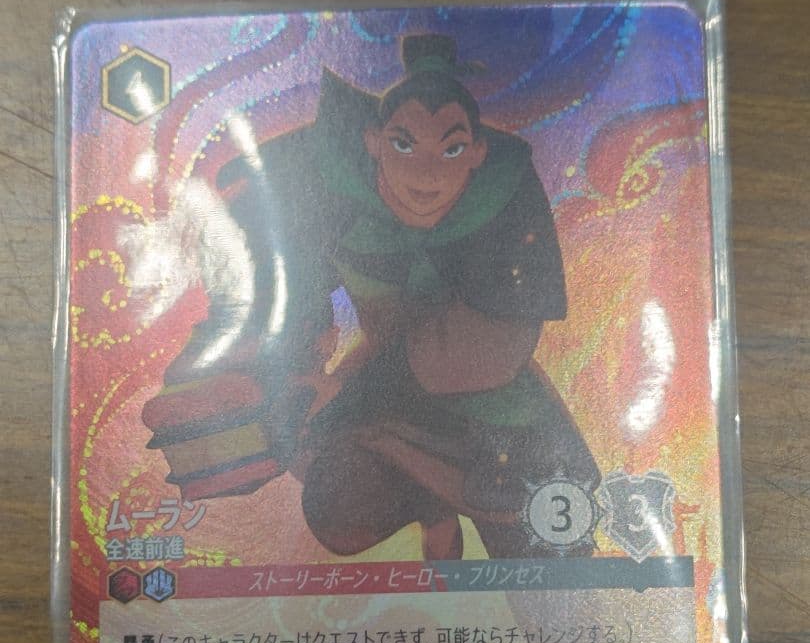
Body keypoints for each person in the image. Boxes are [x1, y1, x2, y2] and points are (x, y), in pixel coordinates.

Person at [143, 33, 600, 560]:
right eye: (404, 145)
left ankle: (465, 512)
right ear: (374, 141)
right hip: (381, 401)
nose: (425, 175)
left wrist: (344, 397)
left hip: (495, 412)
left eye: (451, 149)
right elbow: (278, 298)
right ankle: (430, 506)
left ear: (476, 154)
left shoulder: (506, 189)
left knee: (552, 553)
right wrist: (260, 385)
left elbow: (485, 349)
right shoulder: (326, 181)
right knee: (341, 504)